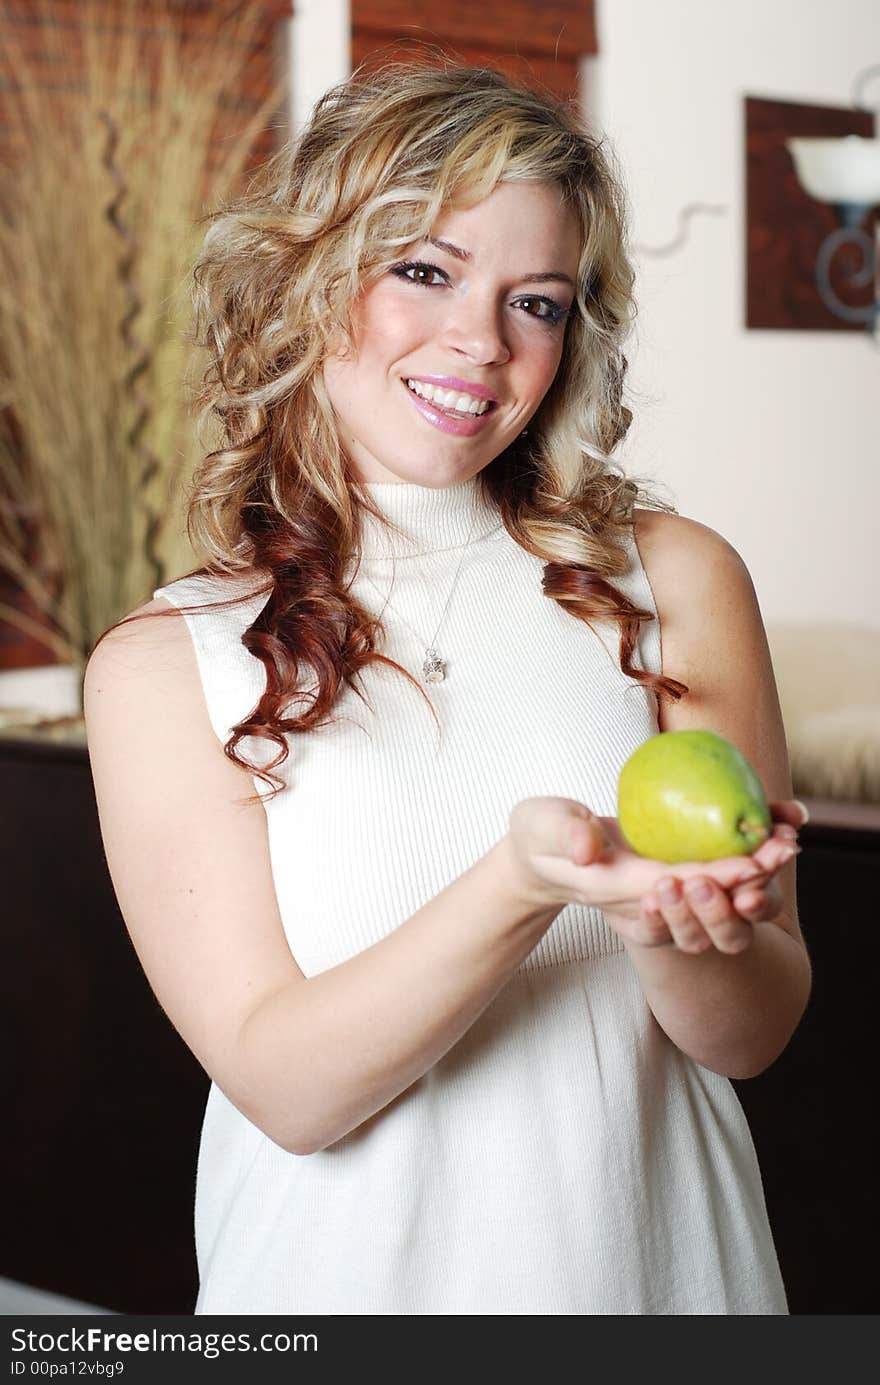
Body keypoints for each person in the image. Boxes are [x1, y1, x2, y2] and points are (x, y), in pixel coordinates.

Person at [83, 62, 811, 1316]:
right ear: (310, 278)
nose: (482, 340)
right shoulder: (164, 663)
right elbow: (289, 1088)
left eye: (535, 300)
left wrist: (677, 928)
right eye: (424, 270)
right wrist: (521, 881)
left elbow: (749, 1034)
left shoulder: (673, 578)